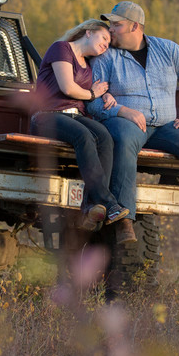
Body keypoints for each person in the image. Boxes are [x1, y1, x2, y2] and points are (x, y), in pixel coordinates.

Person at [87, 2, 179, 250]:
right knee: (123, 140)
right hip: (127, 123)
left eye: (116, 25)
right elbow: (93, 103)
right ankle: (123, 221)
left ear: (135, 26)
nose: (111, 31)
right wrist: (123, 112)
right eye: (110, 25)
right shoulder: (106, 57)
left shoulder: (167, 50)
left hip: (165, 125)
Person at [30, 19, 129, 231]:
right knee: (83, 136)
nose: (105, 45)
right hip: (48, 115)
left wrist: (105, 95)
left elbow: (91, 91)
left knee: (104, 137)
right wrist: (93, 93)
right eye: (103, 38)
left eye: (108, 43)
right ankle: (109, 203)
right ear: (88, 32)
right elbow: (68, 88)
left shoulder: (88, 64)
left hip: (75, 115)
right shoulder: (61, 49)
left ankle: (92, 206)